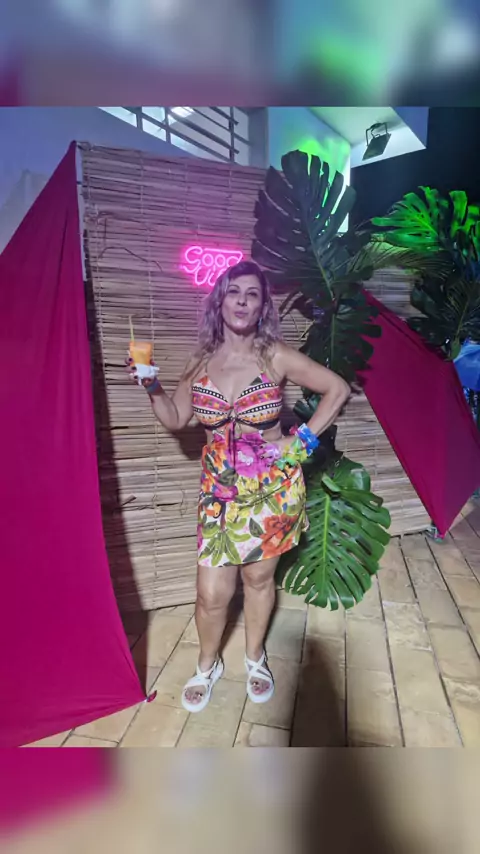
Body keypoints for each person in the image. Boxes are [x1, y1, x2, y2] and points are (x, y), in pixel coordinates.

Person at [128, 260, 350, 713]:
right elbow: (177, 418)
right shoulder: (200, 361)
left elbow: (337, 389)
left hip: (270, 488)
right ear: (220, 301)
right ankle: (207, 665)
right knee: (211, 594)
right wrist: (152, 388)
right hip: (219, 492)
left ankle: (253, 658)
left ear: (262, 305)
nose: (243, 301)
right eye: (234, 292)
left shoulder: (275, 356)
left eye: (252, 294)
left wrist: (301, 441)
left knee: (258, 578)